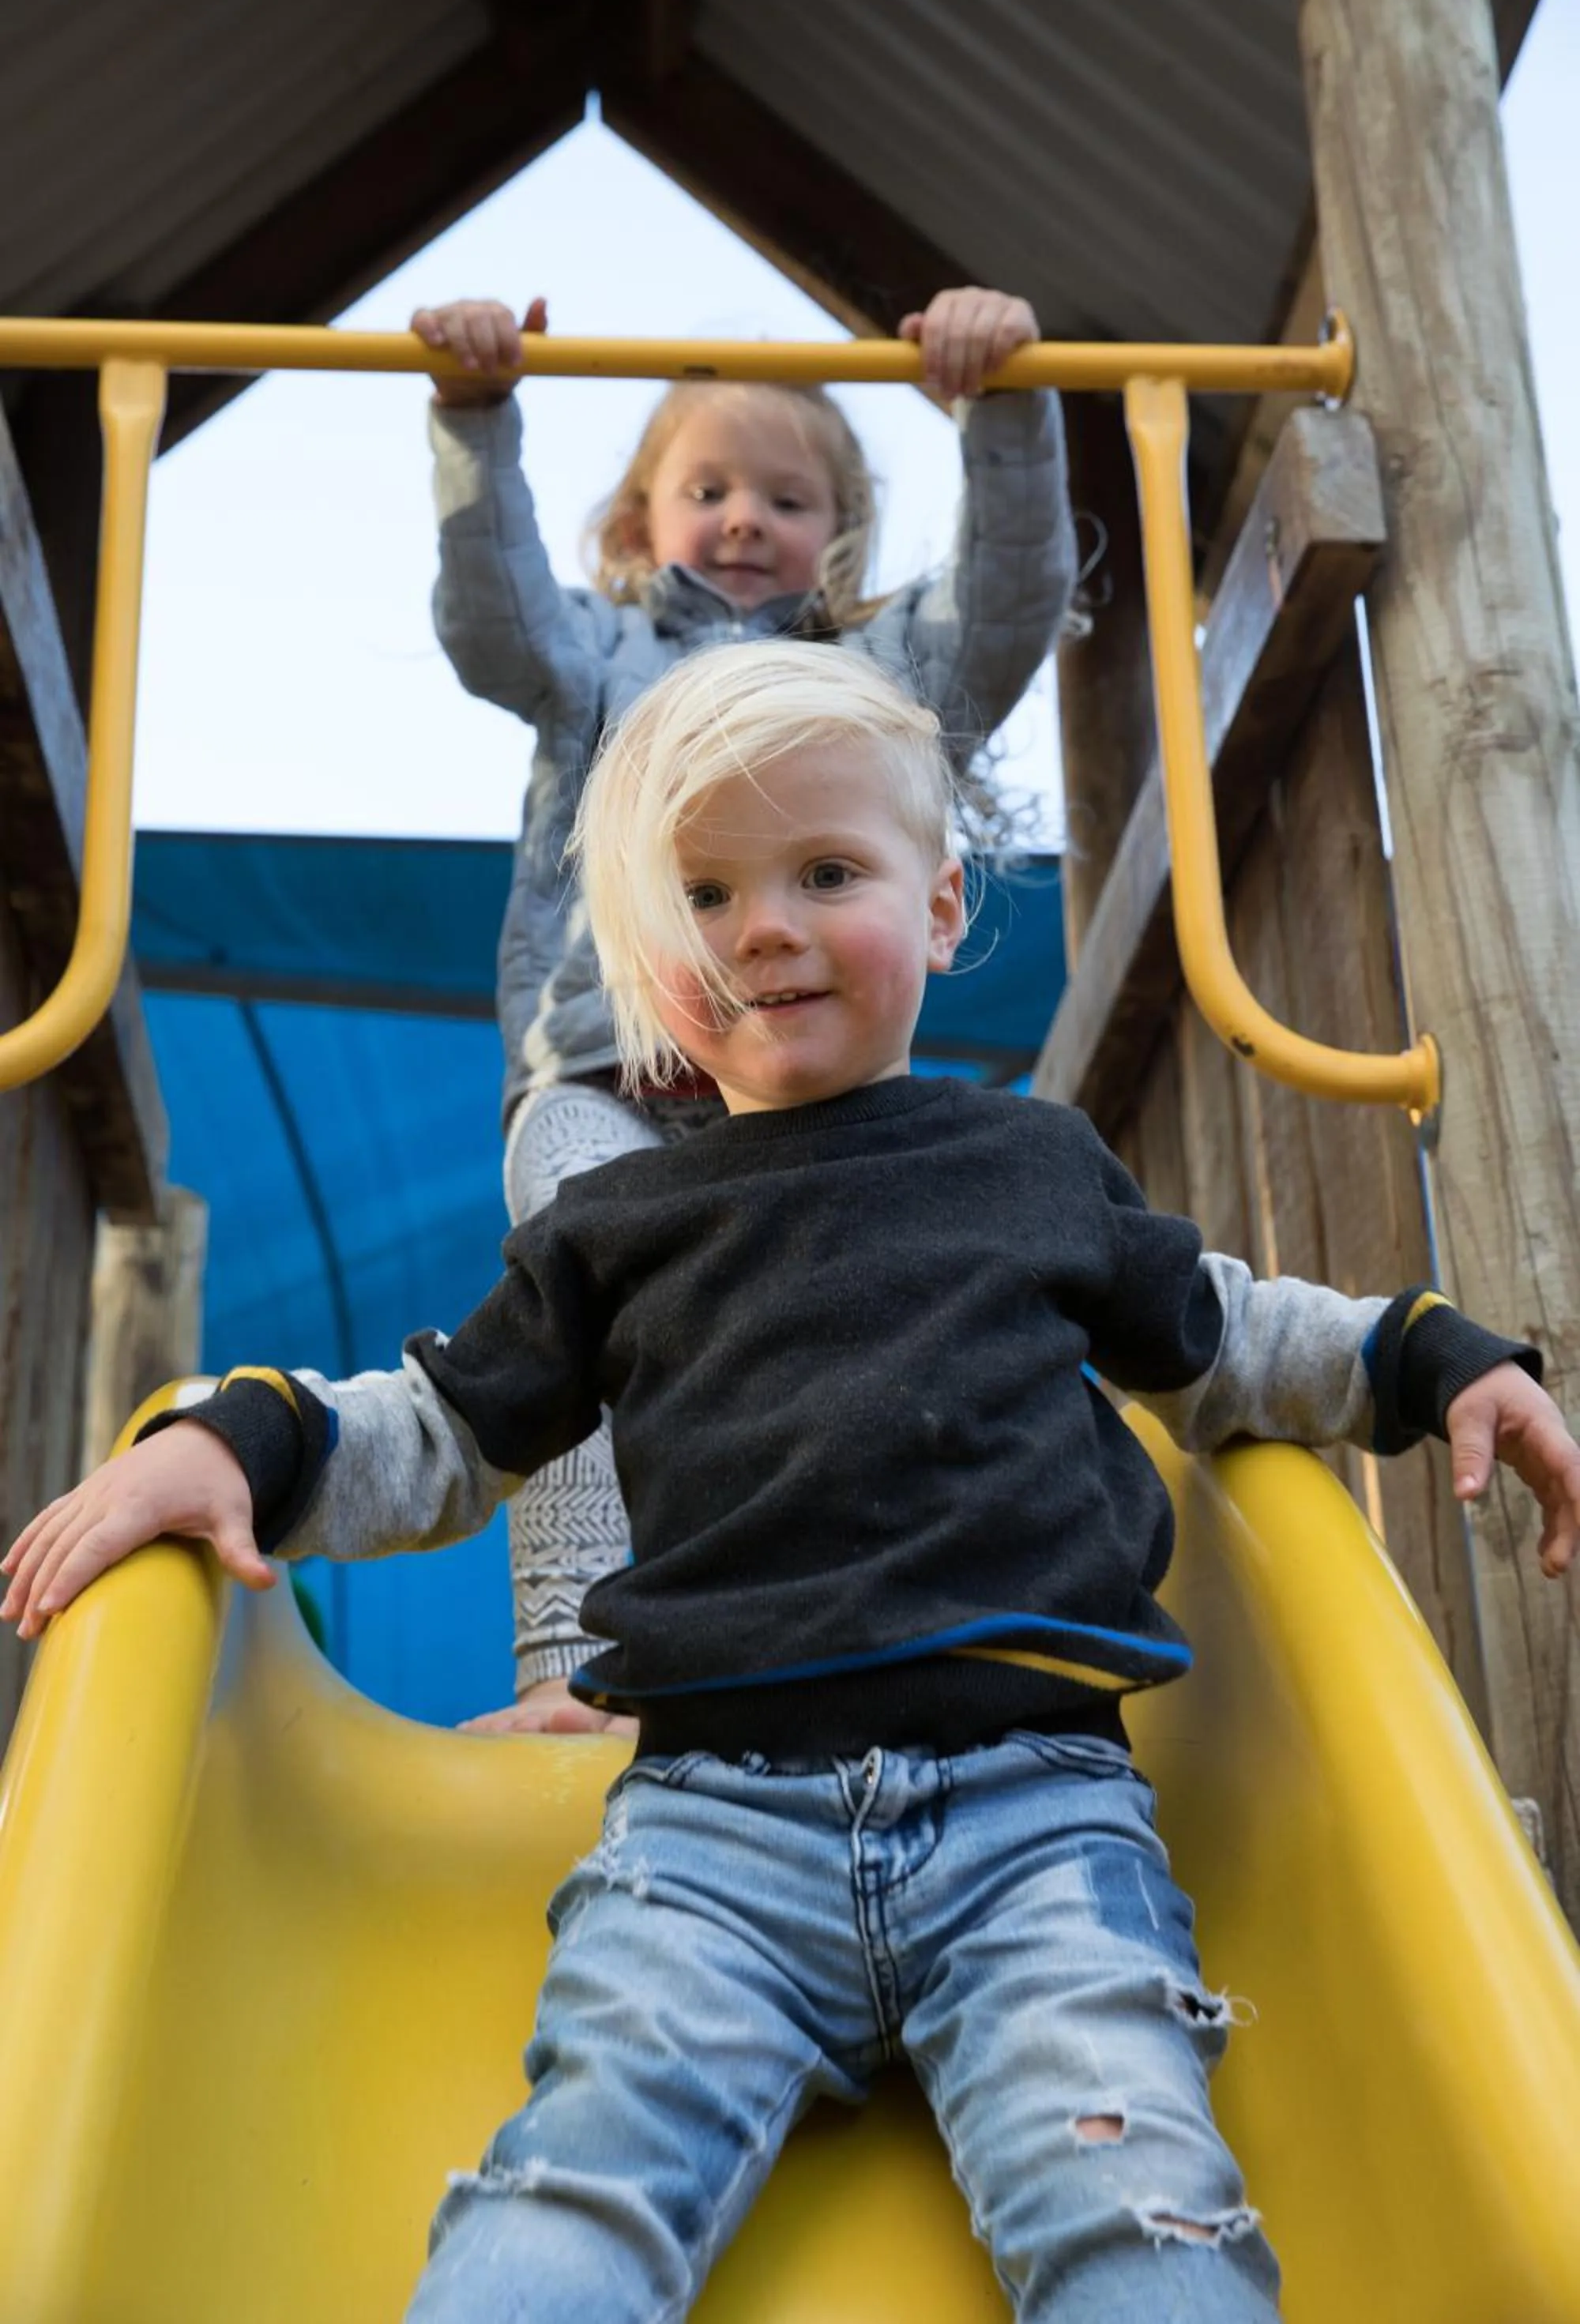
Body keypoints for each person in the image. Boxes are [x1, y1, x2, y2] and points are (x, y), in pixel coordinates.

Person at [9, 641, 1577, 2323]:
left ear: (946, 905)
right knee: (573, 2190)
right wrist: (232, 1440)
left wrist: (1433, 1358)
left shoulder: (1029, 1163)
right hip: (709, 1835)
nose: (762, 926)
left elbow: (1226, 1337)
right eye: (704, 893)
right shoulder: (618, 1229)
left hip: (1032, 1815)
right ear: (640, 961)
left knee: (1134, 2208)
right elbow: (446, 1427)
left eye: (826, 872)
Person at [409, 285, 1078, 1735]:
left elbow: (1011, 610)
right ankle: (572, 1664)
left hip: (808, 1095)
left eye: (786, 496)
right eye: (704, 488)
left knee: (838, 1329)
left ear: (833, 530)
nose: (740, 518)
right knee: (577, 1295)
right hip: (606, 1056)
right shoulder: (591, 659)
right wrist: (476, 418)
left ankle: (859, 1625)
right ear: (640, 515)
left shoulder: (878, 669)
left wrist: (1006, 413)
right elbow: (488, 622)